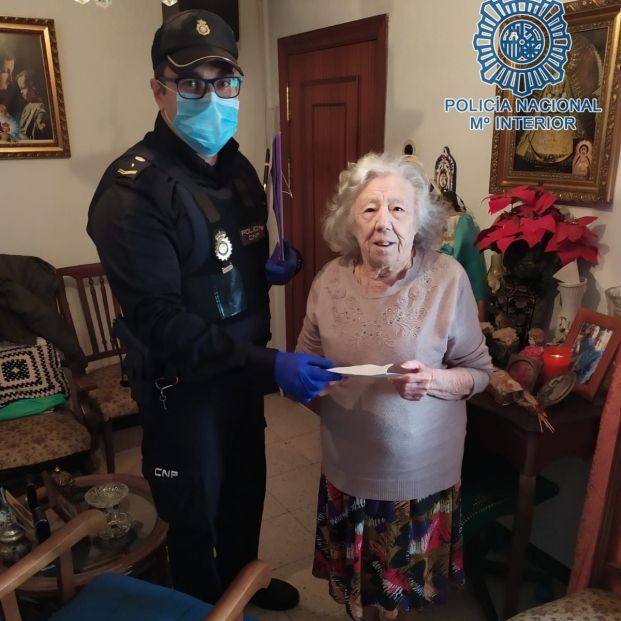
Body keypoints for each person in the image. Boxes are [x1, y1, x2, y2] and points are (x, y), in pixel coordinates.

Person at [87, 9, 340, 610]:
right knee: (194, 512)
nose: (212, 97)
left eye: (223, 81)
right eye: (191, 83)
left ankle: (243, 583)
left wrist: (265, 272)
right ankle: (204, 607)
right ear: (159, 90)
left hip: (239, 379)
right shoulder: (132, 191)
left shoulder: (237, 168)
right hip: (184, 389)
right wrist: (272, 364)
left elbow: (223, 264)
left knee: (244, 491)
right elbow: (161, 322)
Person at [296, 153, 493, 620]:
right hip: (347, 471)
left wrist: (433, 381)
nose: (383, 222)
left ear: (419, 220)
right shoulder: (328, 281)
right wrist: (307, 380)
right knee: (361, 596)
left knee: (400, 601)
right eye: (369, 209)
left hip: (418, 479)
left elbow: (479, 373)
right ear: (350, 221)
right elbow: (305, 358)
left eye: (398, 209)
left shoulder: (447, 279)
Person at [437, 189, 487, 320]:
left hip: (456, 254)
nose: (441, 205)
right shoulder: (441, 219)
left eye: (444, 202)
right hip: (443, 252)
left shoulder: (462, 218)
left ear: (450, 203)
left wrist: (455, 256)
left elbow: (463, 239)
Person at [15, 69, 52, 141]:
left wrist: (40, 123)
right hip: (21, 137)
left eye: (23, 88)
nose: (21, 92)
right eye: (20, 89)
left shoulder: (40, 105)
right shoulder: (27, 107)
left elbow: (40, 116)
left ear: (33, 87)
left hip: (29, 140)